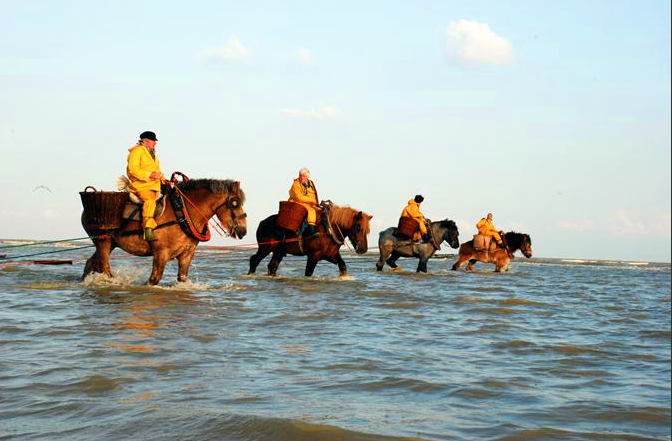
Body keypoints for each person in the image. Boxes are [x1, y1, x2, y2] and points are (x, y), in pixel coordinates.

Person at [126, 131, 167, 242]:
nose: (155, 143)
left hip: (154, 185)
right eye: (154, 141)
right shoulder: (136, 152)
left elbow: (157, 171)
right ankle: (148, 229)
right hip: (141, 186)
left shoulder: (153, 154)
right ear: (146, 141)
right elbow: (132, 170)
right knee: (150, 200)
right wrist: (149, 175)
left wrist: (164, 180)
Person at [288, 168, 320, 238]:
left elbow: (314, 195)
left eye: (303, 176)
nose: (301, 177)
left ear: (307, 176)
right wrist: (311, 200)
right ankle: (309, 232)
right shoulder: (296, 184)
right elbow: (298, 197)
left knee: (322, 211)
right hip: (297, 203)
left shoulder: (311, 183)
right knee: (311, 211)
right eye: (300, 175)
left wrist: (315, 203)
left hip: (309, 204)